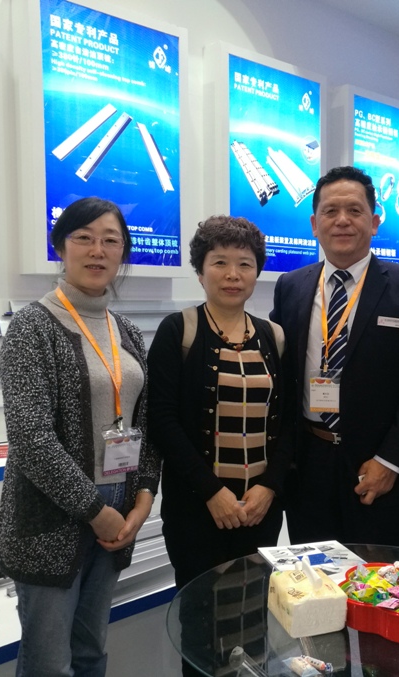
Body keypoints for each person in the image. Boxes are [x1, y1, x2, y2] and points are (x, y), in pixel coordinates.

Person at [0, 197, 159, 676]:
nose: (97, 250)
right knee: (49, 665)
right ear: (60, 247)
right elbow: (30, 438)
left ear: (123, 252)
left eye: (111, 240)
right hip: (52, 516)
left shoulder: (126, 331)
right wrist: (95, 511)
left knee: (90, 653)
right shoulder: (32, 326)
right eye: (83, 238)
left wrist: (144, 497)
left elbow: (143, 423)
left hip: (118, 510)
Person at [271, 165, 399, 547]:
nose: (342, 220)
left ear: (374, 222)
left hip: (376, 467)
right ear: (314, 224)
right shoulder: (291, 287)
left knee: (375, 574)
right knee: (313, 575)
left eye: (355, 210)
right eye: (330, 211)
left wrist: (390, 461)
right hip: (307, 465)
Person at [148, 216, 286, 590]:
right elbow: (161, 419)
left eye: (245, 264)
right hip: (197, 508)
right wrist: (212, 491)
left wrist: (269, 487)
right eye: (220, 262)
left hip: (260, 509)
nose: (232, 275)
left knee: (256, 604)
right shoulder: (178, 330)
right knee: (200, 610)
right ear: (200, 271)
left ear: (257, 272)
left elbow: (287, 422)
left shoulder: (273, 336)